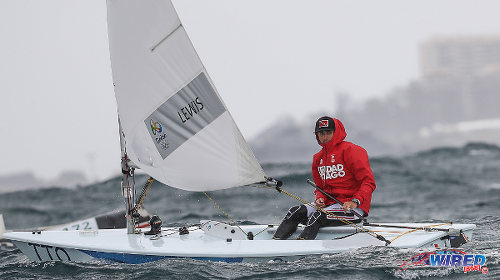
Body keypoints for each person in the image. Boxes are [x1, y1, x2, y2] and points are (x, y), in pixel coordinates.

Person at [273, 116, 376, 240]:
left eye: (329, 132)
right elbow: (320, 188)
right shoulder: (318, 158)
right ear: (317, 135)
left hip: (353, 209)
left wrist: (355, 201)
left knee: (317, 215)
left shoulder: (352, 151)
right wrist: (320, 198)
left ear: (336, 132)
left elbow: (368, 182)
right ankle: (274, 244)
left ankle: (301, 249)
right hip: (329, 206)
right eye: (321, 133)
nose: (325, 136)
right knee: (294, 211)